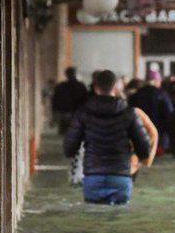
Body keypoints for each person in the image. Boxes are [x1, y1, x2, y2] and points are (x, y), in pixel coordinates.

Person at [63, 70, 151, 204]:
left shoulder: (83, 113)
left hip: (93, 176)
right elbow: (144, 149)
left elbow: (69, 149)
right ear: (115, 86)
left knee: (94, 220)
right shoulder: (129, 113)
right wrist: (133, 156)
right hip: (120, 176)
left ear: (95, 87)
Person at [129, 70, 175, 154]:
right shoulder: (162, 95)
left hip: (139, 134)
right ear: (156, 81)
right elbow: (170, 114)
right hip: (159, 136)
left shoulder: (136, 95)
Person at [51, 66, 88, 134]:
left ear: (66, 74)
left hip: (64, 113)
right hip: (77, 113)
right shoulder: (81, 86)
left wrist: (54, 113)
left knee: (65, 133)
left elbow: (55, 100)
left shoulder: (61, 86)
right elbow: (86, 100)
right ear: (75, 74)